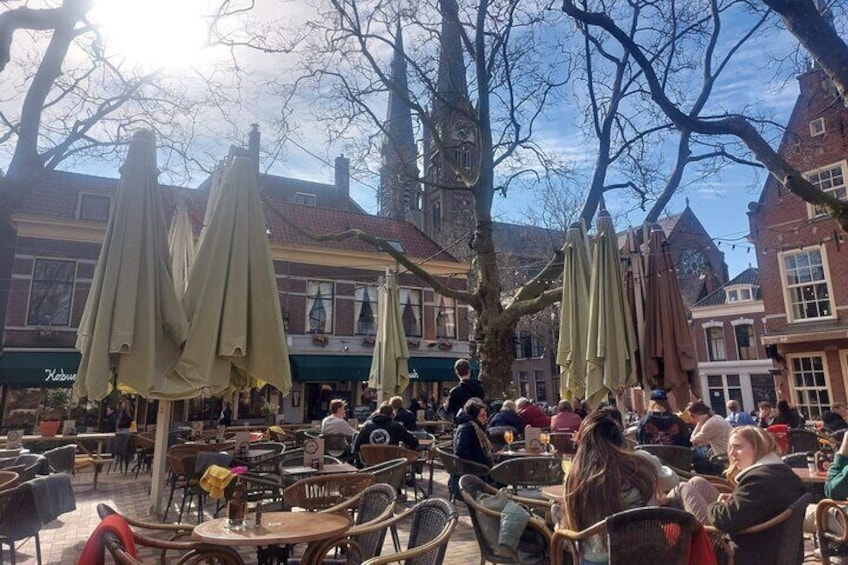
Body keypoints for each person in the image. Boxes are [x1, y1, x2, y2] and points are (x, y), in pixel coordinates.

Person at [666, 425, 805, 563]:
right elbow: (753, 507)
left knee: (682, 489)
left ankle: (664, 540)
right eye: (730, 447)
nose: (731, 454)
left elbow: (726, 520)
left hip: (740, 551)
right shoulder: (782, 473)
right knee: (697, 482)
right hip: (765, 542)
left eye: (738, 447)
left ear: (758, 448)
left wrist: (717, 505)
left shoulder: (758, 480)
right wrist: (731, 501)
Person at [563, 408, 678, 564]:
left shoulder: (574, 476)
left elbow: (571, 526)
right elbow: (673, 481)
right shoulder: (642, 462)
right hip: (648, 555)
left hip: (598, 559)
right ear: (620, 438)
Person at [688, 401, 732, 474]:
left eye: (692, 416)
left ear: (697, 414)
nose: (692, 419)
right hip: (727, 454)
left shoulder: (710, 424)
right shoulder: (717, 417)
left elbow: (693, 440)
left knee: (697, 465)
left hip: (723, 458)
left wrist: (699, 423)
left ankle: (714, 483)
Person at [353, 404, 419, 454]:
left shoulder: (367, 426)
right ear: (392, 414)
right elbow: (414, 442)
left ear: (378, 413)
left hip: (370, 462)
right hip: (391, 463)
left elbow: (357, 446)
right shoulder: (396, 426)